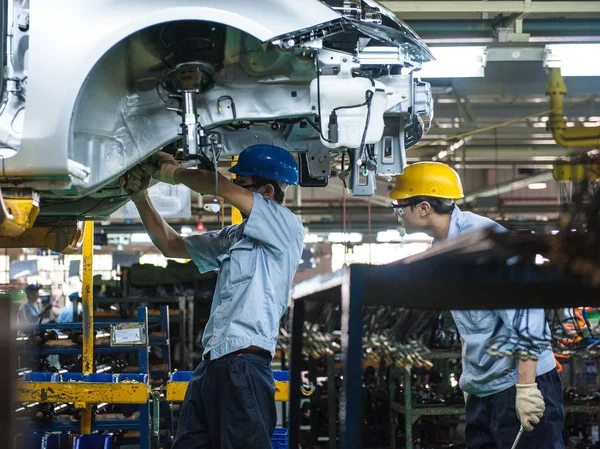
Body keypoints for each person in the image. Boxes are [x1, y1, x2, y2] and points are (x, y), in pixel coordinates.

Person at [125, 144, 304, 449]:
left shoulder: (284, 225)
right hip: (212, 364)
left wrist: (173, 172)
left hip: (245, 364)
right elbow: (172, 245)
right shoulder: (234, 236)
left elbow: (217, 186)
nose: (234, 189)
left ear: (267, 191)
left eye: (242, 184)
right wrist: (140, 197)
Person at [389, 162, 564, 449]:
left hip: (519, 384)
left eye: (399, 205)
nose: (397, 214)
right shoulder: (442, 249)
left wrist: (526, 388)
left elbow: (527, 320)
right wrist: (472, 382)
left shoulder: (483, 243)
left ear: (423, 208)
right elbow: (467, 326)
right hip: (484, 389)